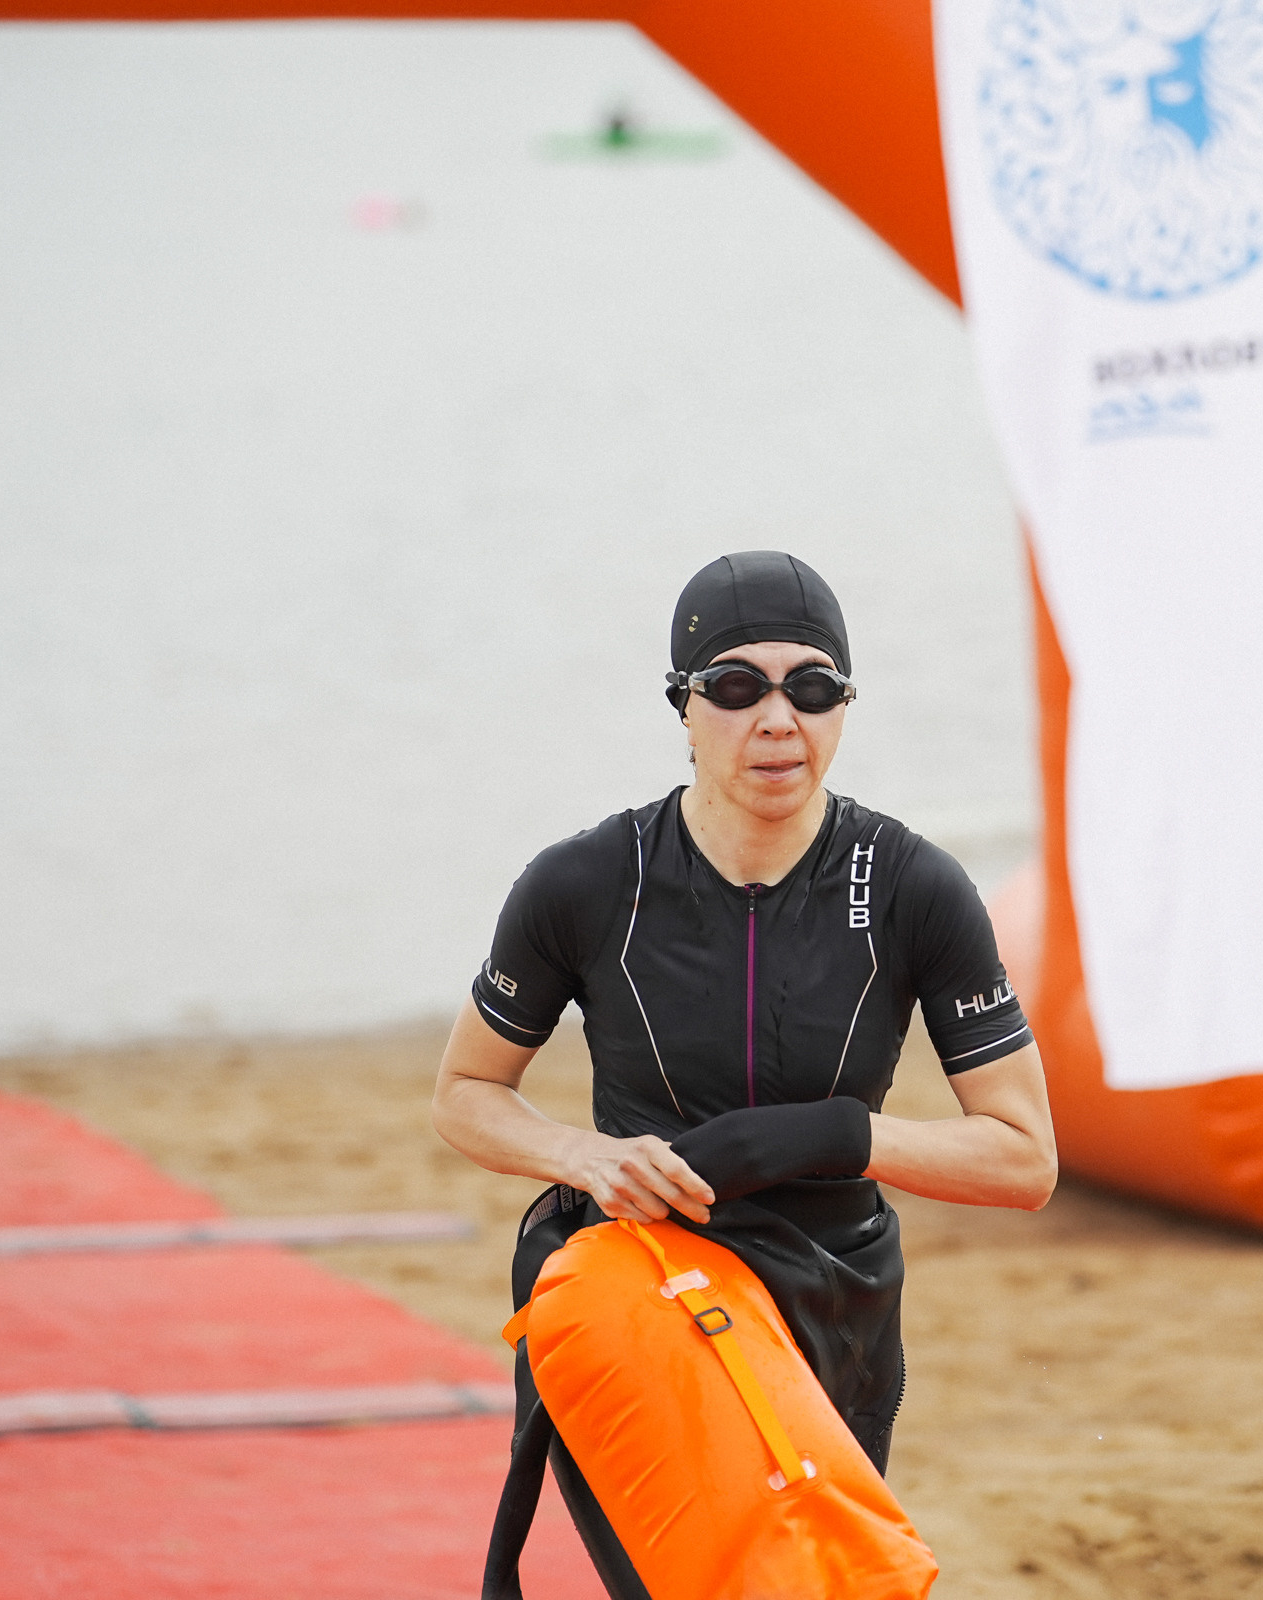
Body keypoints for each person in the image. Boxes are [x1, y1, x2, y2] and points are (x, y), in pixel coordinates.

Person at [434, 550, 1057, 1597]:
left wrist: (836, 1137)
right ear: (683, 708)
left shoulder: (914, 887)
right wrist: (586, 1156)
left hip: (837, 1302)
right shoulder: (585, 884)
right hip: (652, 1289)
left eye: (812, 686)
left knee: (829, 1583)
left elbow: (1025, 1157)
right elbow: (465, 1092)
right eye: (736, 686)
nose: (778, 718)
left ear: (843, 707)